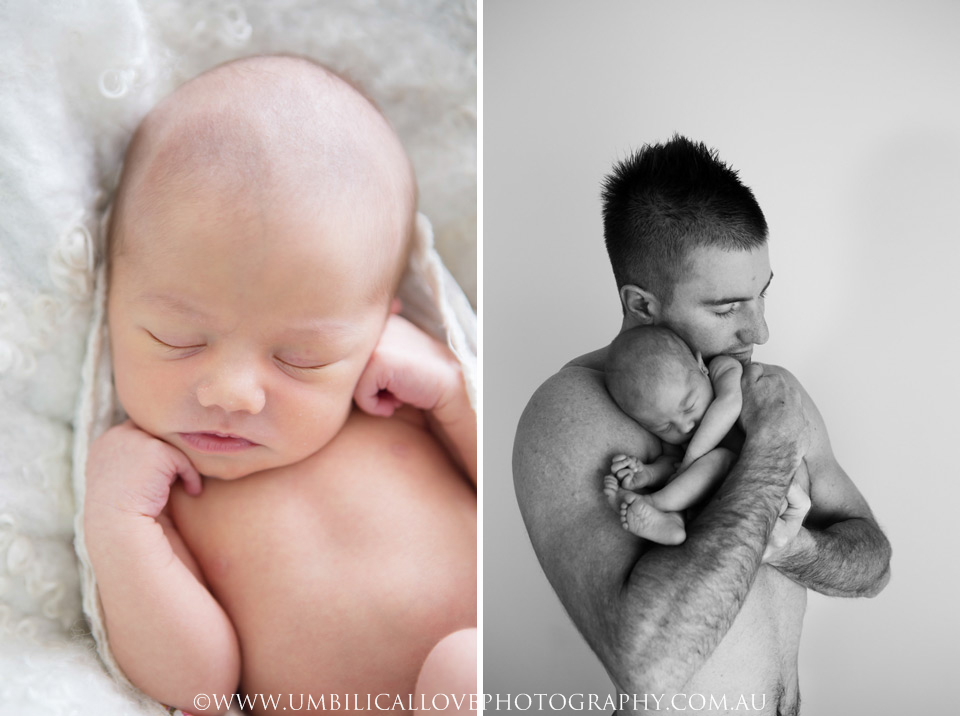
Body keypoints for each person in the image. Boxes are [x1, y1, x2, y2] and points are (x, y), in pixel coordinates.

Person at [83, 56, 476, 715]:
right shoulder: (166, 491)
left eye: (300, 356)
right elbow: (198, 687)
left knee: (466, 672)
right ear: (112, 304)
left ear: (379, 328)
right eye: (178, 339)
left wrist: (453, 393)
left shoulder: (391, 407)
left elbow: (532, 509)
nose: (232, 392)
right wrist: (118, 526)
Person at [513, 136, 890, 715]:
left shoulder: (771, 391)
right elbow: (649, 666)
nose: (759, 332)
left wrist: (791, 548)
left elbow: (874, 566)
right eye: (726, 307)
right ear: (642, 305)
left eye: (762, 295)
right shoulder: (569, 414)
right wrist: (771, 449)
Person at [601, 325, 742, 545]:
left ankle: (652, 502)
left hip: (744, 476)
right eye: (665, 427)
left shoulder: (722, 369)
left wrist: (691, 458)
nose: (685, 427)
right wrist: (647, 473)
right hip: (705, 503)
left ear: (701, 366)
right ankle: (671, 525)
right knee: (675, 485)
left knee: (720, 458)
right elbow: (672, 466)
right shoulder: (679, 442)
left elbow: (730, 404)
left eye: (688, 407)